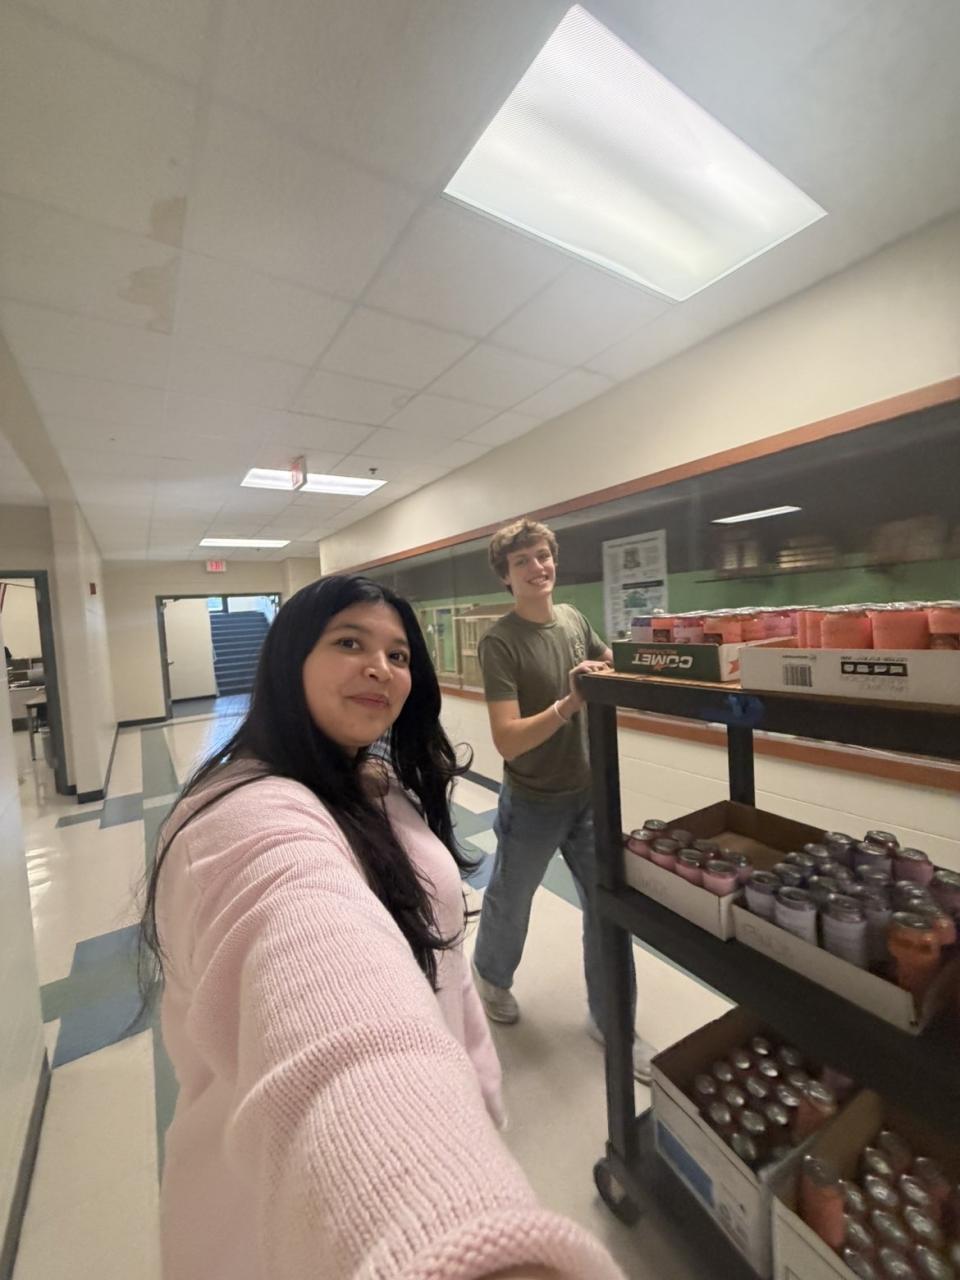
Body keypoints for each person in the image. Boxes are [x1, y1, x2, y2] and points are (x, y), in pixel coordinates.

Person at [139, 574, 623, 1280]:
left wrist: (476, 1095)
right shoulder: (242, 820)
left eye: (398, 655)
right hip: (290, 1236)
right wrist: (457, 1234)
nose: (381, 668)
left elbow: (436, 961)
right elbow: (334, 1010)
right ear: (289, 661)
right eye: (349, 643)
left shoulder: (371, 780)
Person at [470, 519, 654, 1082]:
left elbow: (607, 662)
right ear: (506, 576)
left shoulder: (573, 618)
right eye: (522, 561)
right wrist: (569, 704)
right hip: (532, 799)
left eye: (542, 555)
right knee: (511, 899)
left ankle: (614, 1021)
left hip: (587, 796)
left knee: (608, 908)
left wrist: (647, 657)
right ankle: (491, 975)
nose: (537, 567)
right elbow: (507, 739)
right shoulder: (500, 642)